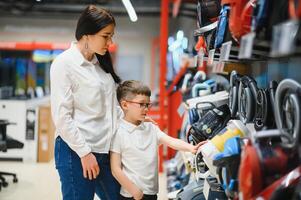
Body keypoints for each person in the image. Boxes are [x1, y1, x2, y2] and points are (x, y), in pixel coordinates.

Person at [50, 5, 121, 200]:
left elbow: (108, 108)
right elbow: (62, 117)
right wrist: (85, 153)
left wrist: (134, 117)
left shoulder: (100, 65)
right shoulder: (64, 64)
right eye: (106, 36)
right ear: (87, 34)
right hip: (76, 151)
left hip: (104, 151)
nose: (110, 41)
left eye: (111, 36)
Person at [110, 80, 206, 200]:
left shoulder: (151, 128)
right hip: (131, 195)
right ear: (125, 105)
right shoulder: (119, 133)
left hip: (151, 192)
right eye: (141, 104)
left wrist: (191, 148)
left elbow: (171, 141)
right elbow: (115, 168)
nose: (146, 109)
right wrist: (134, 191)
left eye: (147, 105)